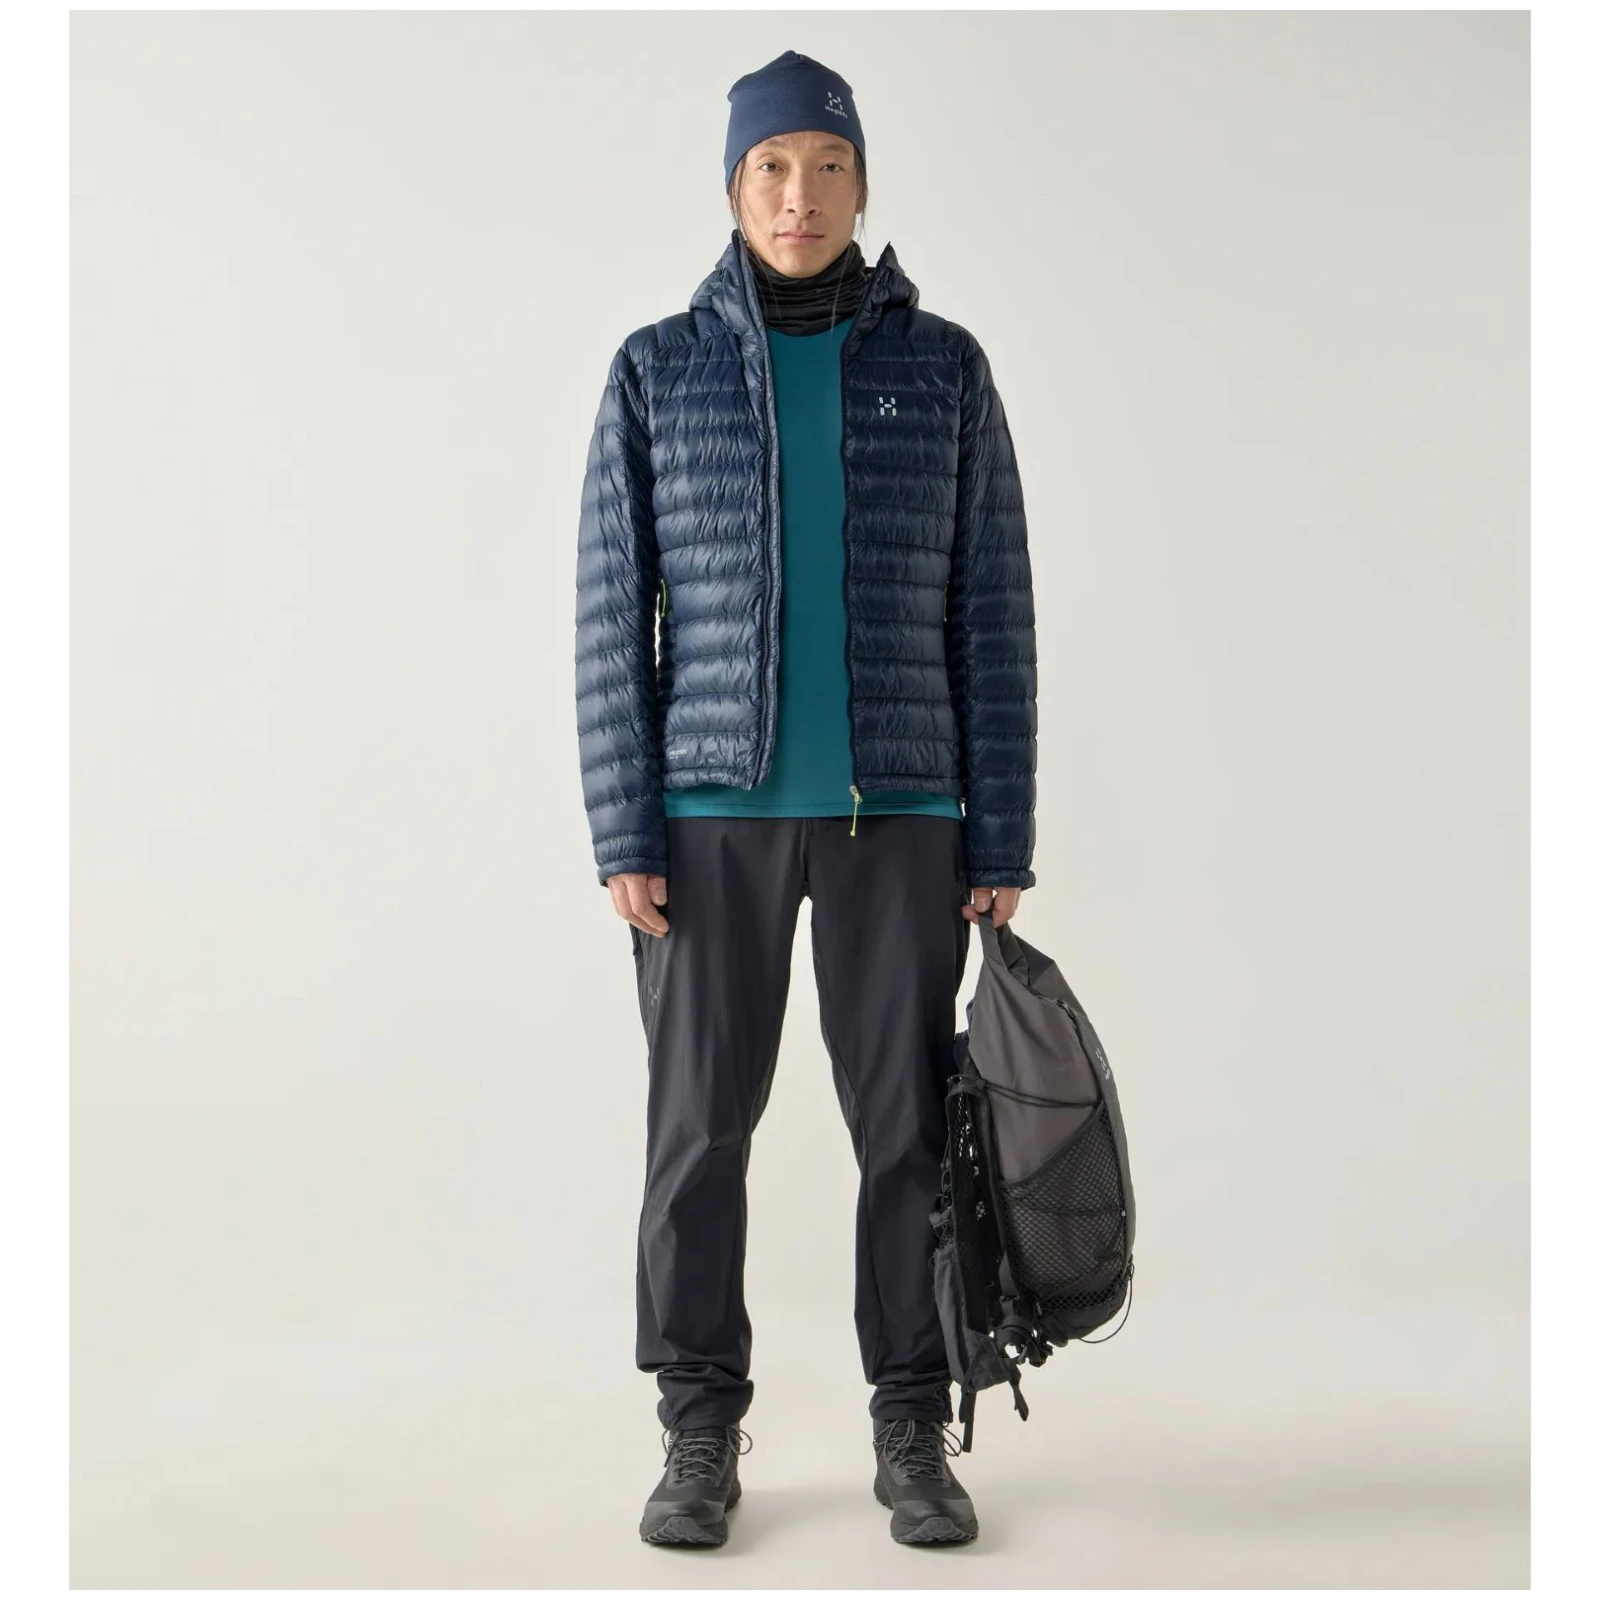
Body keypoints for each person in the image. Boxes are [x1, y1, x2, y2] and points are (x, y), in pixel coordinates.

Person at [573, 49, 1038, 1548]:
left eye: (828, 168)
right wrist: (624, 827)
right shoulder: (658, 369)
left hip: (903, 815)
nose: (800, 195)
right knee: (698, 1135)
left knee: (906, 1134)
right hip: (708, 823)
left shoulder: (943, 366)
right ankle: (698, 1428)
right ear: (733, 188)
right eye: (772, 168)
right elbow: (611, 616)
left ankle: (912, 1419)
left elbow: (992, 612)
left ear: (861, 185)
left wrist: (1001, 828)